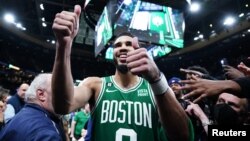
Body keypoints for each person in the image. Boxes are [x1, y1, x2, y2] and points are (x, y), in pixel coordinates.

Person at [52, 5, 193, 141]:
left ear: (138, 50)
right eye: (117, 45)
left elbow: (183, 136)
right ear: (112, 53)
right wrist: (63, 46)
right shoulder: (95, 85)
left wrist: (156, 79)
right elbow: (62, 106)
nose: (123, 48)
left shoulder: (154, 89)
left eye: (128, 44)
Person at [0, 73, 67, 141]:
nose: (65, 97)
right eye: (60, 92)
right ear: (41, 95)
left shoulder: (19, 116)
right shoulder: (47, 132)